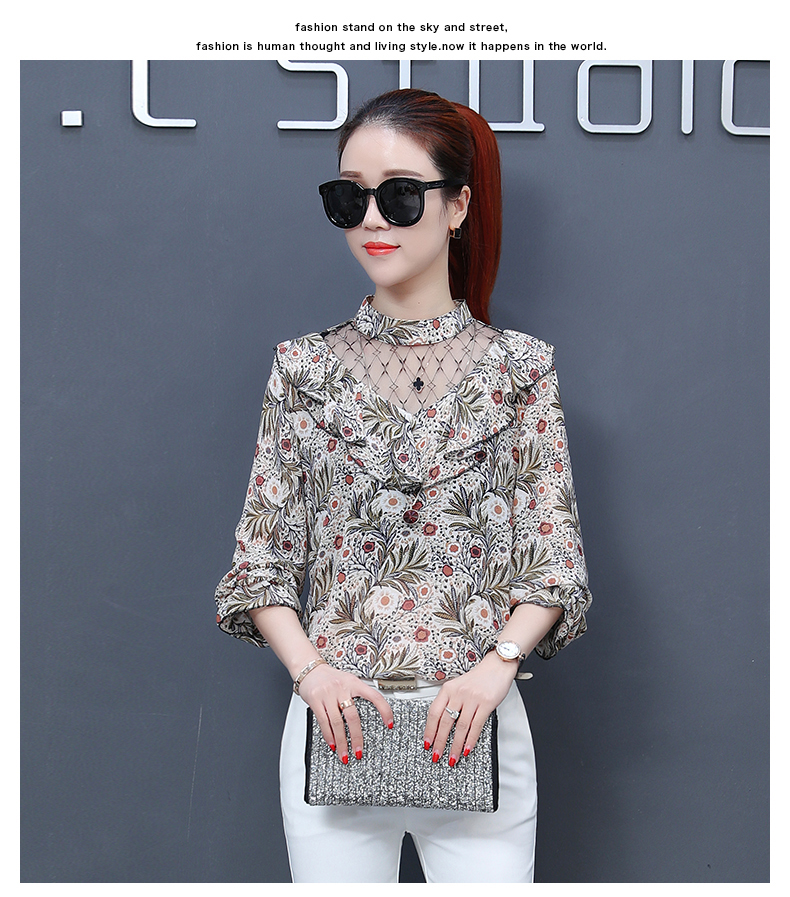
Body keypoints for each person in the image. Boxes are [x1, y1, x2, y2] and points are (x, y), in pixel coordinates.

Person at [214, 88, 592, 883]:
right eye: (349, 197)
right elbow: (260, 564)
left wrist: (496, 666)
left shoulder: (522, 370)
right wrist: (312, 673)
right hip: (336, 733)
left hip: (477, 729)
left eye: (399, 195)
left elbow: (553, 564)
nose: (372, 220)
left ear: (458, 205)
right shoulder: (302, 369)